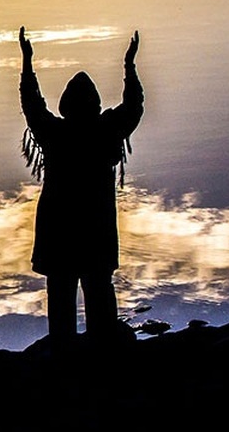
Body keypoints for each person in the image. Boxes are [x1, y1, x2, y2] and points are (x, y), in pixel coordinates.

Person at [18, 26, 143, 342]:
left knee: (60, 294)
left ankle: (63, 357)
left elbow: (32, 106)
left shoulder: (54, 133)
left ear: (65, 107)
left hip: (58, 227)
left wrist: (27, 63)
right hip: (96, 227)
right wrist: (129, 65)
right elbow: (134, 106)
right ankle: (103, 354)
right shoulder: (107, 131)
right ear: (96, 105)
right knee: (99, 287)